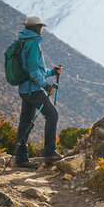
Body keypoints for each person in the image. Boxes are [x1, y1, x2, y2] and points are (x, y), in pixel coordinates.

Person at [15, 16, 63, 169]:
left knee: (25, 123)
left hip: (24, 89)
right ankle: (50, 153)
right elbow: (34, 71)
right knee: (52, 115)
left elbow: (34, 70)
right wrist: (46, 86)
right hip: (33, 89)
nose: (42, 30)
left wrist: (51, 72)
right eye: (41, 27)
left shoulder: (23, 42)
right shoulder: (33, 44)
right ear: (36, 28)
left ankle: (21, 159)